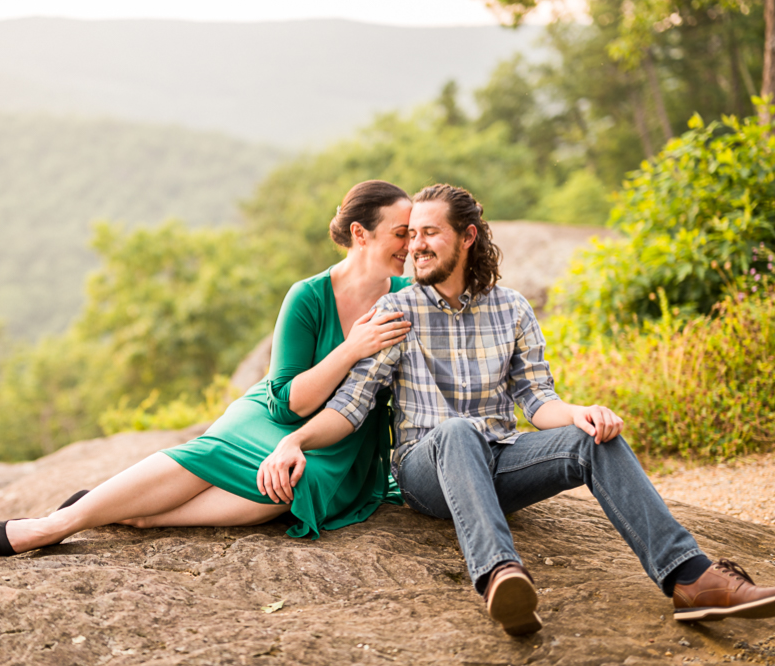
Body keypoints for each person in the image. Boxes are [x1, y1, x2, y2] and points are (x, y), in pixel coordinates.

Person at [257, 183, 775, 636]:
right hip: (426, 468)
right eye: (410, 233)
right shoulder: (396, 310)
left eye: (429, 233)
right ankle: (502, 577)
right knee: (457, 430)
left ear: (468, 237)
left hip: (500, 459)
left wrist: (580, 413)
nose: (415, 244)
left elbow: (537, 400)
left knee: (595, 439)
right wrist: (294, 440)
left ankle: (691, 579)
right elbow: (352, 405)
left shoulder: (512, 308)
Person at [0, 180, 415, 556]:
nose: (410, 246)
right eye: (401, 233)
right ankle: (59, 524)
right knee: (215, 454)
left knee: (295, 485)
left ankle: (145, 517)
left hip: (340, 435)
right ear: (360, 234)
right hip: (272, 416)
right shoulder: (308, 297)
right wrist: (350, 349)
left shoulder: (405, 299)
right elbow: (288, 406)